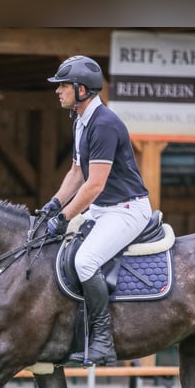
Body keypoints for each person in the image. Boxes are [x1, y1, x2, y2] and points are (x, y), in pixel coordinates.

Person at [41, 55, 152, 367]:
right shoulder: (81, 121)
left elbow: (94, 185)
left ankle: (102, 341)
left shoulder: (104, 124)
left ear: (80, 89)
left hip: (126, 210)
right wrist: (54, 205)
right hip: (103, 209)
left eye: (62, 85)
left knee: (85, 261)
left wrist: (64, 219)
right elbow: (77, 173)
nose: (57, 91)